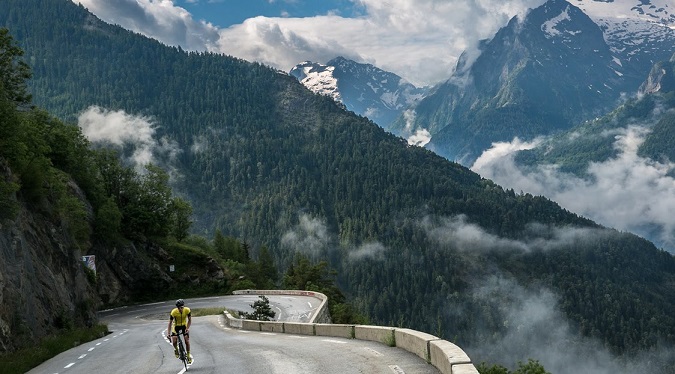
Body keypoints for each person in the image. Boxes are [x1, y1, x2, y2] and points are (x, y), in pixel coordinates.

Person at [167, 299, 193, 364]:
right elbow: (170, 323)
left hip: (184, 326)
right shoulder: (174, 312)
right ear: (177, 308)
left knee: (186, 340)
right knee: (174, 340)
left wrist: (187, 328)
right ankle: (176, 349)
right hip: (176, 326)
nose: (181, 309)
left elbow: (189, 320)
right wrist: (168, 333)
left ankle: (188, 355)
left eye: (182, 307)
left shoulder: (187, 310)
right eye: (180, 308)